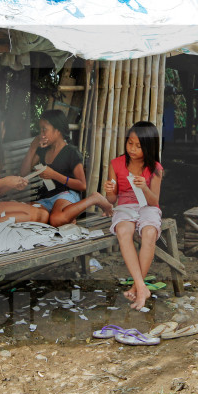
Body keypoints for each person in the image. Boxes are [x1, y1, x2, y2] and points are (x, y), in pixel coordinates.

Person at [105, 121, 164, 310]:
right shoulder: (116, 164)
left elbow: (154, 201)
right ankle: (141, 286)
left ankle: (136, 285)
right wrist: (110, 190)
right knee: (124, 230)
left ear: (148, 147)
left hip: (147, 206)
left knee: (148, 232)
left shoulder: (155, 168)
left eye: (138, 146)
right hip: (124, 206)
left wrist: (144, 187)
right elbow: (112, 200)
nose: (132, 149)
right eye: (130, 143)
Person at [20, 109, 112, 227]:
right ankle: (68, 216)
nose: (41, 134)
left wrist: (54, 175)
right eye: (40, 129)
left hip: (66, 194)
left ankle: (94, 198)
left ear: (57, 130)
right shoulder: (42, 150)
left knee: (56, 220)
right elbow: (23, 173)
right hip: (45, 197)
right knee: (27, 216)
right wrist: (33, 147)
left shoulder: (71, 152)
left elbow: (82, 185)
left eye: (45, 129)